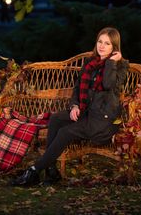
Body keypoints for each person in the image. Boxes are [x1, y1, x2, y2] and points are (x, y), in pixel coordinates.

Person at [11, 27, 129, 187]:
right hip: (86, 112)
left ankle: (33, 170)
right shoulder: (90, 63)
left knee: (65, 132)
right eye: (100, 41)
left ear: (114, 47)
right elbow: (77, 87)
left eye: (107, 43)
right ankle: (51, 170)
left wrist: (111, 62)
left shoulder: (120, 66)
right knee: (56, 118)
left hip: (102, 120)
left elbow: (108, 84)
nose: (102, 46)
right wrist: (74, 106)